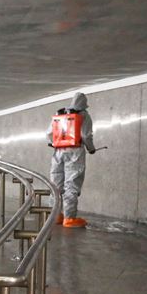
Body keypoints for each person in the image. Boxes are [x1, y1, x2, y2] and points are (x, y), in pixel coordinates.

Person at [47, 92, 96, 228]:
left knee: (56, 184)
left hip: (58, 152)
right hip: (75, 153)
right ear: (84, 103)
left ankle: (55, 215)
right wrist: (91, 148)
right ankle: (69, 218)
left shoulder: (60, 113)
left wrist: (54, 143)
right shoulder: (84, 115)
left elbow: (49, 134)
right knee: (72, 183)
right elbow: (86, 135)